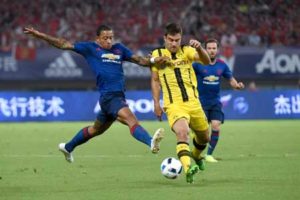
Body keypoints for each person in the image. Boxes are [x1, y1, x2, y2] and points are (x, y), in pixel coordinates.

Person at [23, 25, 164, 163]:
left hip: (117, 97)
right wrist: (40, 35)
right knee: (131, 120)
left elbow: (139, 60)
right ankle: (151, 142)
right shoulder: (90, 48)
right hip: (110, 96)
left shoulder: (119, 49)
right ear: (98, 39)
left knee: (95, 130)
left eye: (111, 38)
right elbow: (63, 44)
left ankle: (67, 147)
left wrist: (152, 60)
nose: (109, 41)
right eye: (105, 38)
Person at [150, 23, 210, 184]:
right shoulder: (157, 54)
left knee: (205, 137)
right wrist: (156, 103)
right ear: (165, 38)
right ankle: (188, 167)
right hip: (174, 105)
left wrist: (200, 48)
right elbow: (155, 81)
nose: (174, 43)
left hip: (194, 103)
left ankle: (196, 156)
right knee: (182, 133)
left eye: (177, 40)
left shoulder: (187, 51)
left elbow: (207, 61)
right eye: (171, 40)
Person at [192, 38, 244, 163]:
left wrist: (237, 85)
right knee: (202, 133)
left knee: (216, 126)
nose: (211, 51)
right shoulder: (197, 64)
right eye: (209, 48)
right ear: (205, 49)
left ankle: (209, 155)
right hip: (200, 103)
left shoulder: (222, 65)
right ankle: (196, 152)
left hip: (215, 102)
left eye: (214, 48)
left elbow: (230, 79)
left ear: (217, 50)